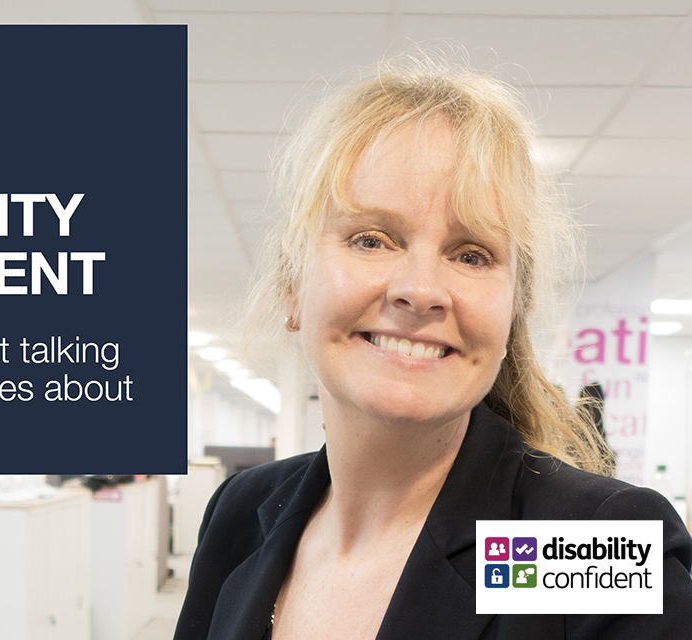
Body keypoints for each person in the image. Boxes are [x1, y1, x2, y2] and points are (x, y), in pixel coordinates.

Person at [174, 55, 692, 639]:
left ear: (511, 309)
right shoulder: (241, 514)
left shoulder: (584, 546)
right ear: (293, 288)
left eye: (472, 254)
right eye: (372, 239)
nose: (420, 291)